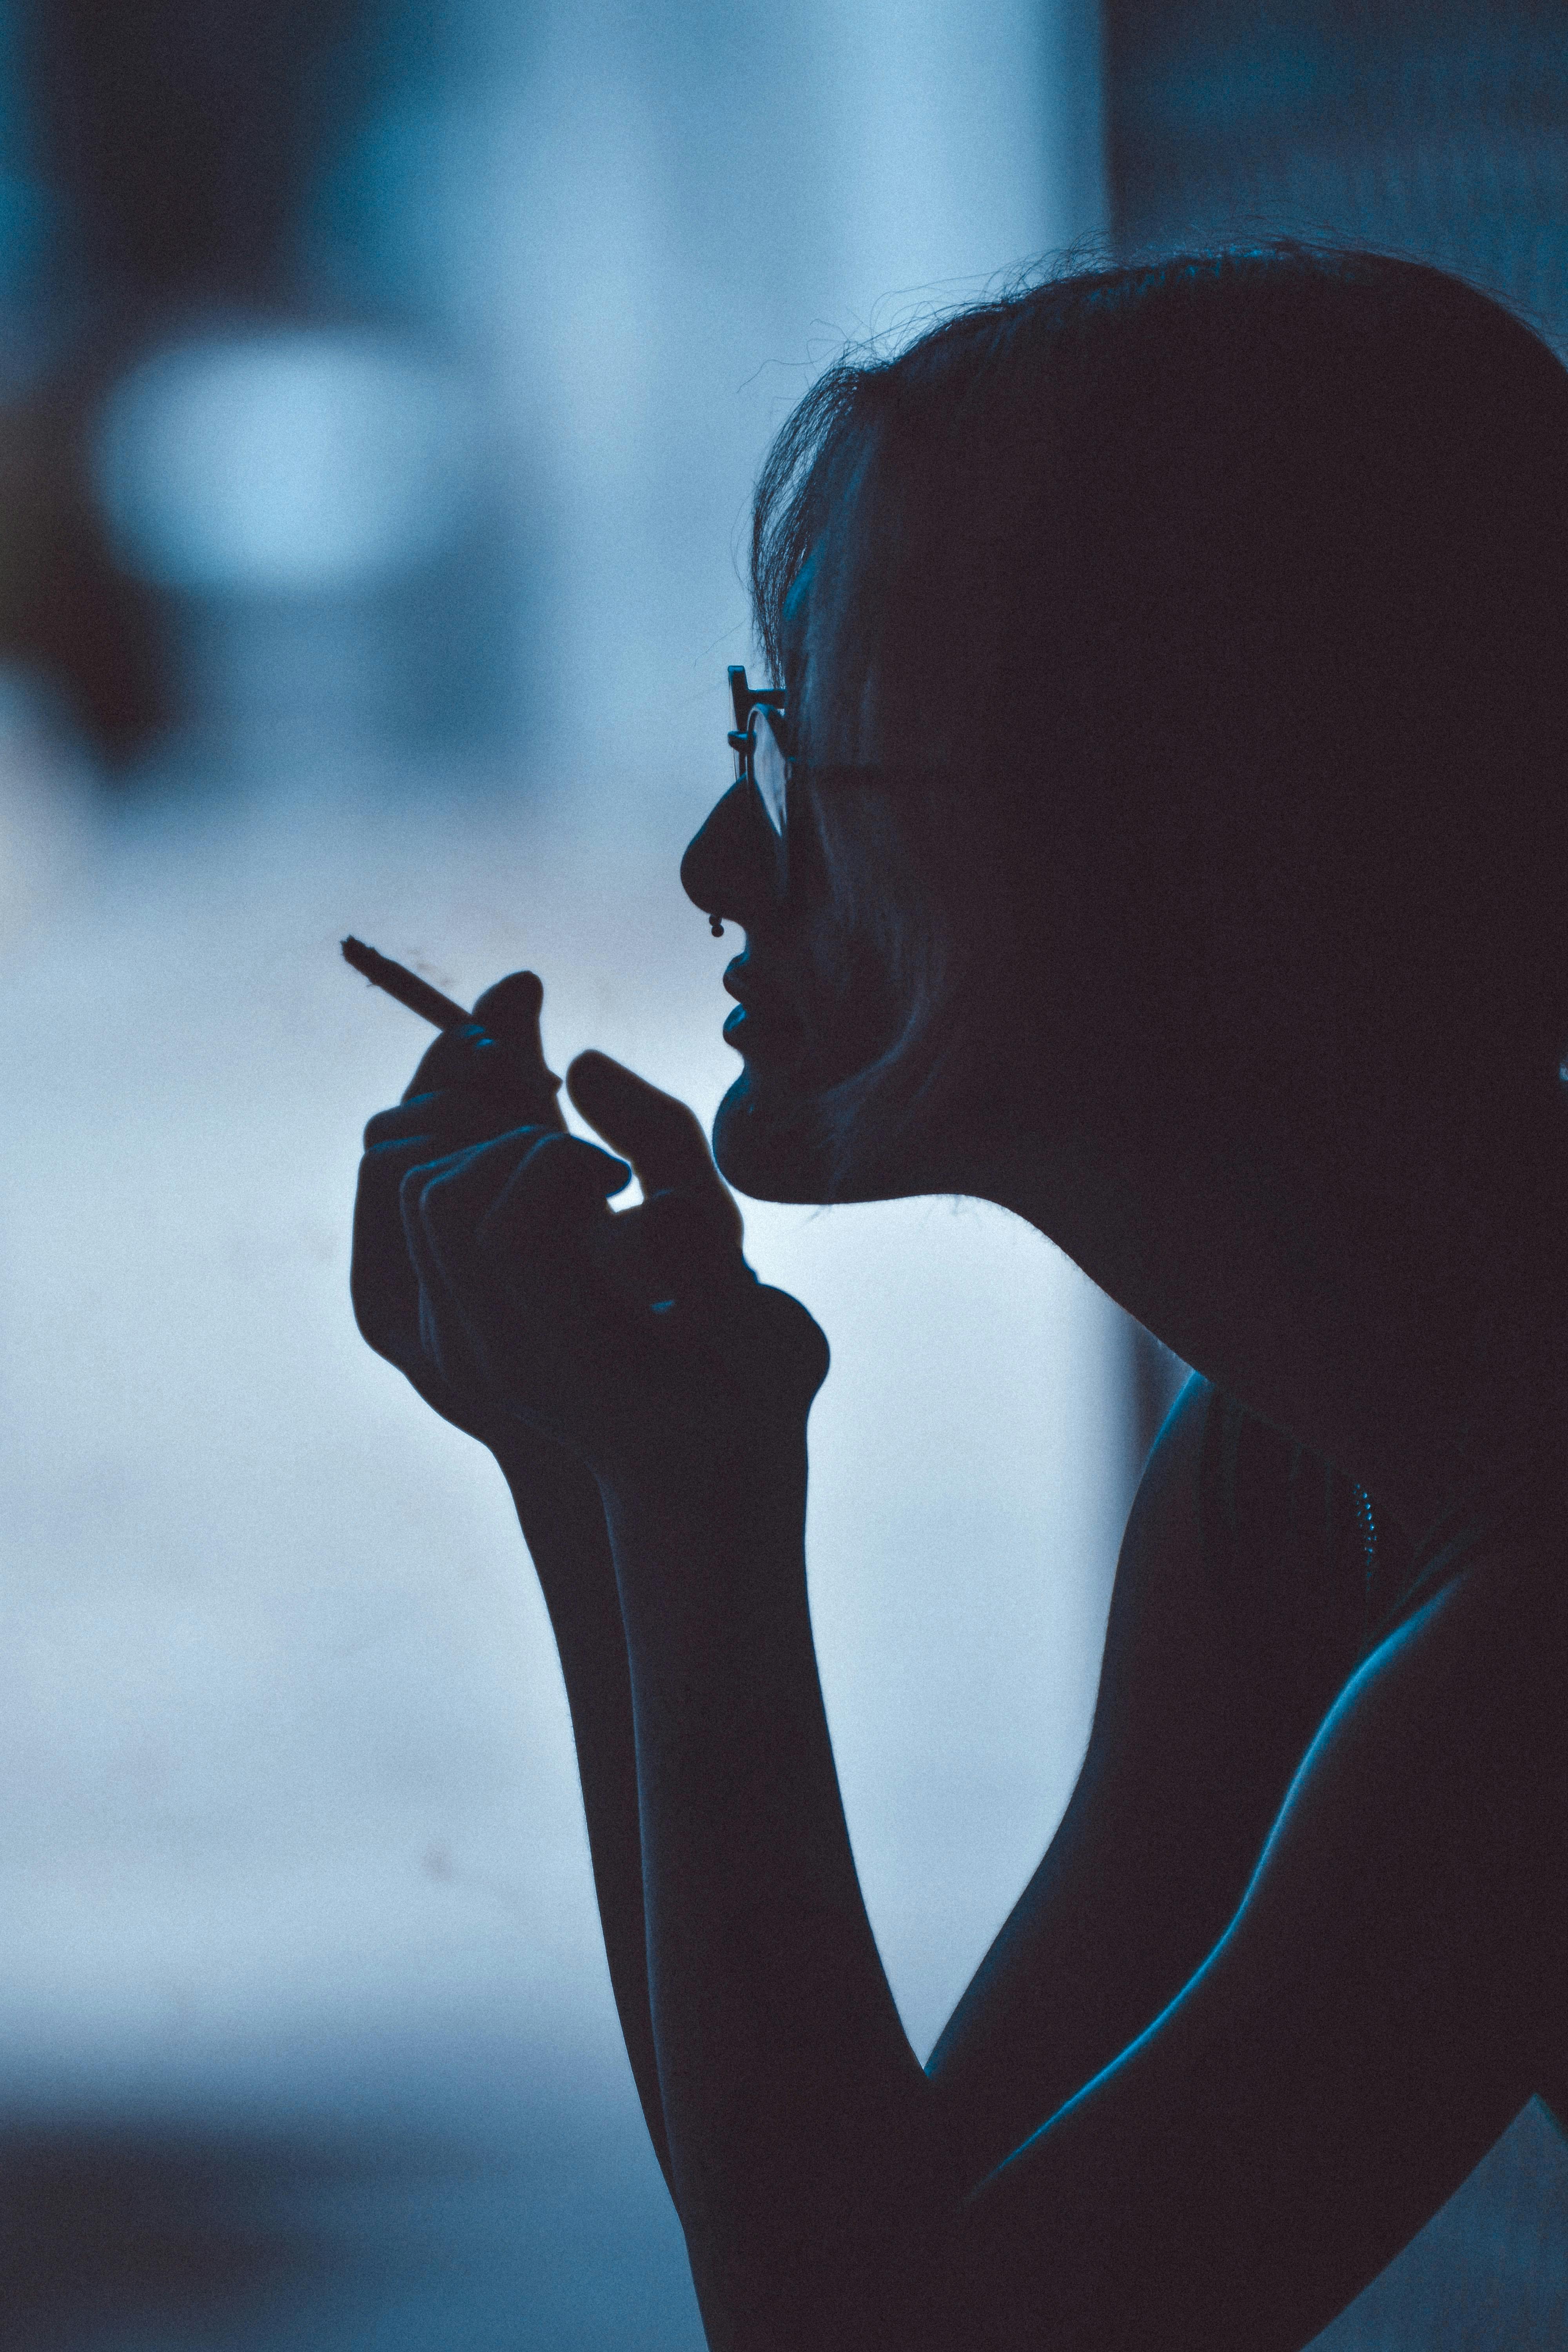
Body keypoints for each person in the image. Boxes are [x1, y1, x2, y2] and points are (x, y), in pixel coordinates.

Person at [350, 245, 1568, 2350]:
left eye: (817, 754)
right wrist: (597, 1465)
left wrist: (679, 1506)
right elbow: (877, 2256)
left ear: (1196, 821)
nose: (729, 864)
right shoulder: (1306, 1477)